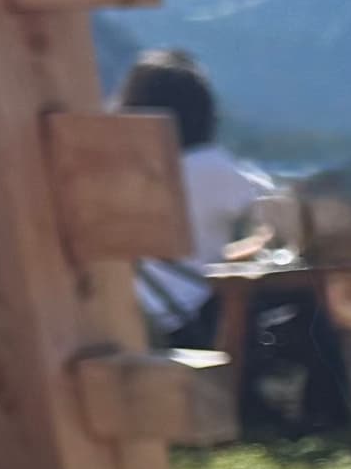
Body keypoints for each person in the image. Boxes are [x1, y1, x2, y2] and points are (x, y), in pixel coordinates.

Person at [112, 50, 280, 346]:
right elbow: (274, 210)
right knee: (306, 310)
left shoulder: (118, 170)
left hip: (130, 315)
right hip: (189, 319)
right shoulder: (209, 167)